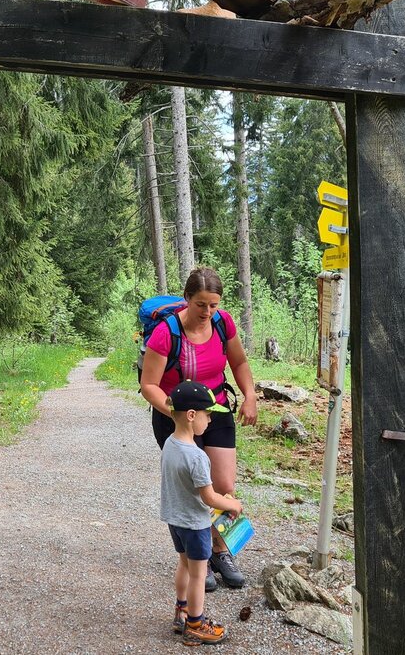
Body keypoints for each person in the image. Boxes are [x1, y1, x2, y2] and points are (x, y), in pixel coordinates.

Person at [140, 267, 257, 591]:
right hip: (174, 417)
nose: (207, 312)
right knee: (194, 488)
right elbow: (148, 384)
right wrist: (179, 414)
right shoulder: (166, 333)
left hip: (215, 410)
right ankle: (198, 558)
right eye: (201, 304)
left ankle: (220, 552)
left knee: (222, 483)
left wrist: (249, 395)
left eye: (213, 305)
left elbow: (240, 363)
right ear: (187, 299)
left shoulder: (223, 323)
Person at [159, 380, 244, 646]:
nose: (209, 421)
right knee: (198, 573)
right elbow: (208, 497)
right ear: (192, 416)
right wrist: (231, 504)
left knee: (183, 564)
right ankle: (195, 624)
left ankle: (181, 611)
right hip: (195, 524)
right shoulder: (197, 457)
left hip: (174, 519)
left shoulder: (170, 445)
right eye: (208, 415)